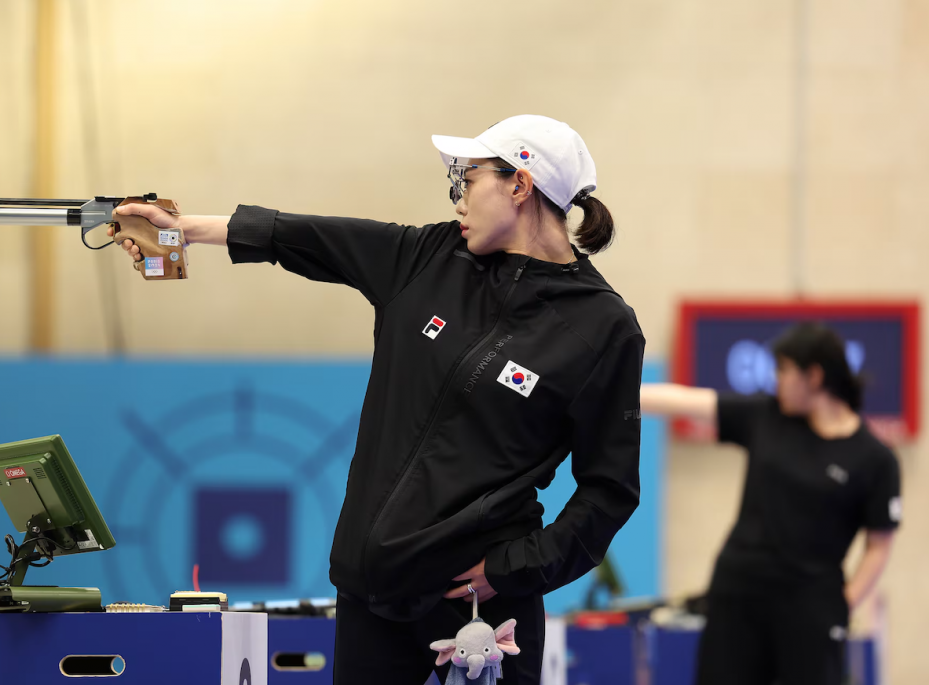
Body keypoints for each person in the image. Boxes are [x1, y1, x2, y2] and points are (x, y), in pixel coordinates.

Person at [109, 115, 645, 684]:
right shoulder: (428, 256)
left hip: (481, 611)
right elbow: (305, 236)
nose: (458, 199)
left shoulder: (603, 327)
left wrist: (511, 572)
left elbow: (609, 491)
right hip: (371, 594)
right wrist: (181, 229)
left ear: (519, 185)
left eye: (467, 179)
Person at [641, 323, 901, 685]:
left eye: (782, 371)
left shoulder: (875, 459)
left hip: (811, 607)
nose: (774, 380)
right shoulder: (767, 417)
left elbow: (879, 545)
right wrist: (617, 391)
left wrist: (843, 605)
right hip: (738, 596)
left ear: (814, 376)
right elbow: (686, 401)